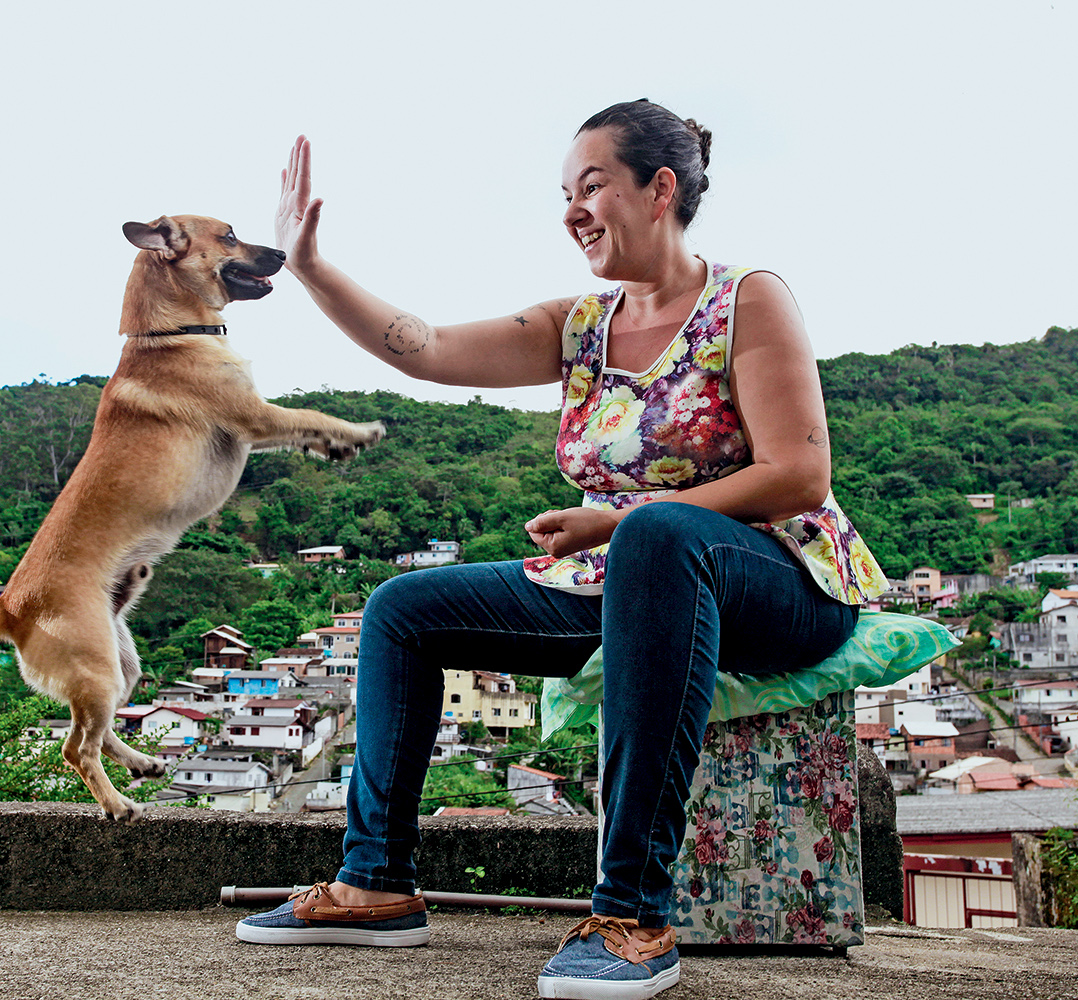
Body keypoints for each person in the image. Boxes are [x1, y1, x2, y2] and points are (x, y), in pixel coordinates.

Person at [235, 100, 885, 1000]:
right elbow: (425, 349)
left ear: (660, 189)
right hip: (629, 583)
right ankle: (375, 882)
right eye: (564, 194)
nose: (572, 210)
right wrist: (310, 268)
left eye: (592, 187)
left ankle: (631, 916)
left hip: (778, 579)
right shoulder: (582, 323)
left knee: (659, 533)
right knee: (401, 613)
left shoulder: (748, 297)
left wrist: (621, 519)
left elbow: (798, 473)